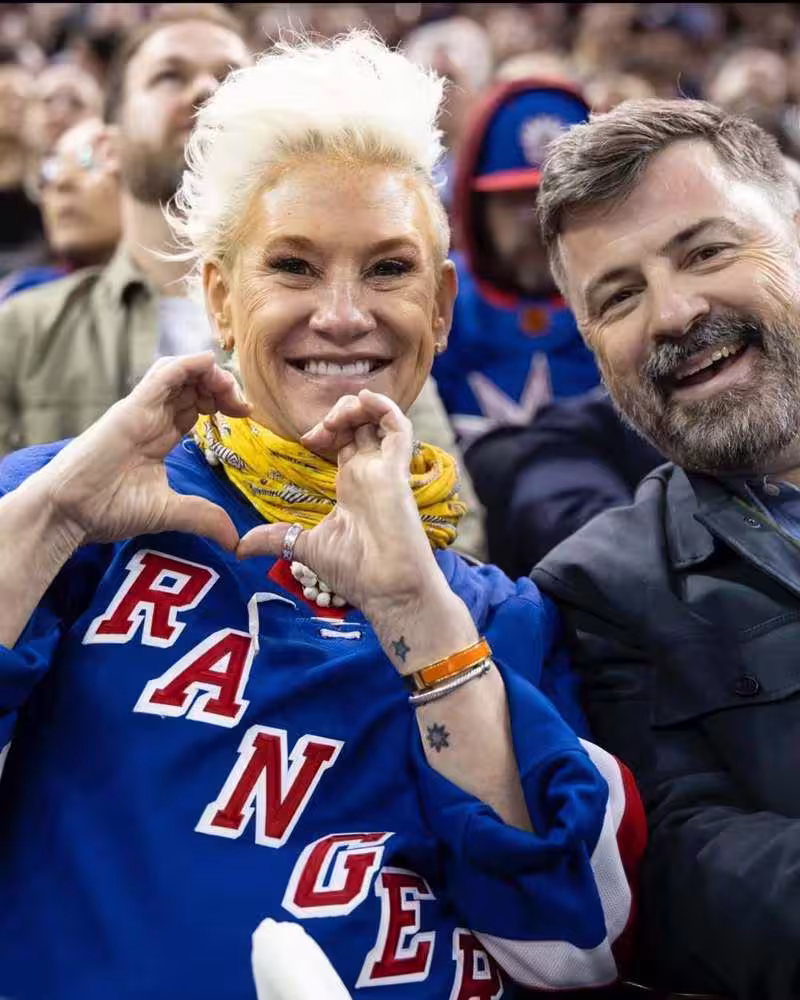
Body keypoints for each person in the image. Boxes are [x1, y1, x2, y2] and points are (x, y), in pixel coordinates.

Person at [0, 32, 643, 1000]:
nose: (343, 315)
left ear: (440, 308)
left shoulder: (496, 613)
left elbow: (569, 947)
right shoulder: (80, 506)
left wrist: (419, 616)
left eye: (388, 270)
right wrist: (53, 512)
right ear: (220, 297)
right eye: (293, 267)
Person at [0, 5, 485, 561]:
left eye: (226, 75)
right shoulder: (24, 327)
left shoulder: (375, 351)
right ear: (220, 299)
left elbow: (456, 539)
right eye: (170, 76)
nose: (204, 90)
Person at [533, 98, 800, 998]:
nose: (675, 312)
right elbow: (688, 873)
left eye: (706, 252)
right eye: (618, 296)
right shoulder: (600, 591)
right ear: (592, 346)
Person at [432, 78, 599, 440]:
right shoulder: (441, 304)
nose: (539, 219)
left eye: (561, 200)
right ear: (477, 209)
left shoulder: (628, 302)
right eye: (515, 201)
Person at [0, 116, 122, 301]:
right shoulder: (19, 297)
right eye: (52, 168)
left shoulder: (167, 293)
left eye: (90, 163)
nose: (62, 181)